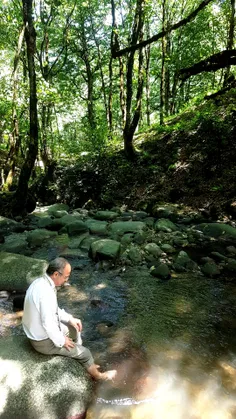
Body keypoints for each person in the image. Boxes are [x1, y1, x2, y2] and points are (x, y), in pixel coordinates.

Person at [22, 257, 117, 381]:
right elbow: (48, 324)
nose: (67, 280)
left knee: (74, 328)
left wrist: (70, 319)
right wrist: (62, 341)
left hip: (39, 332)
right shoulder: (45, 293)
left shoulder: (40, 282)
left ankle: (81, 358)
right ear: (56, 274)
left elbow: (54, 310)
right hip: (42, 341)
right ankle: (99, 375)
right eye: (66, 277)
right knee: (87, 354)